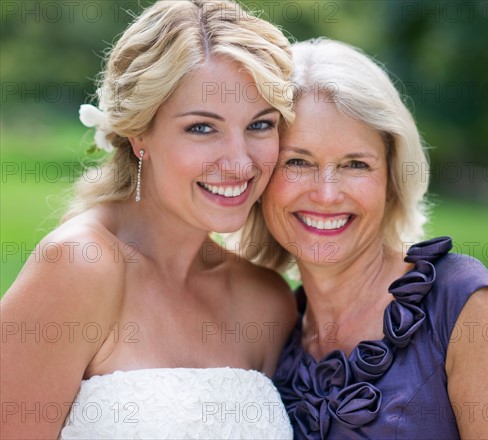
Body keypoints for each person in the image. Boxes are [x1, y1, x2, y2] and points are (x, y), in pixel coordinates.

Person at [0, 1, 298, 438]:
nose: (239, 163)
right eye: (202, 127)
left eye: (260, 125)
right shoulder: (78, 266)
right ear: (140, 134)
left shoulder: (266, 300)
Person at [240, 38, 488, 439]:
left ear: (391, 180)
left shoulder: (457, 302)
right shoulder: (275, 331)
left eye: (355, 164)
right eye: (298, 161)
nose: (327, 194)